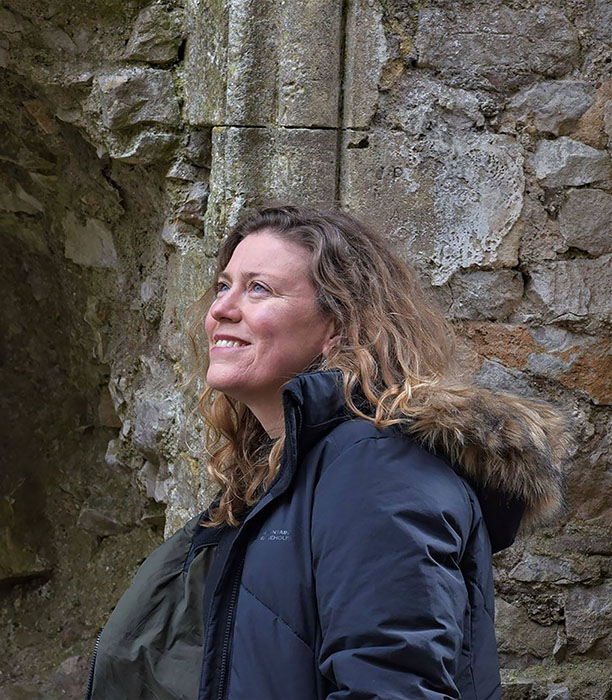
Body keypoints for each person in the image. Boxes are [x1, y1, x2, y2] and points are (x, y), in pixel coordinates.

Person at [85, 205, 571, 700]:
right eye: (223, 286)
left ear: (338, 327)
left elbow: (391, 689)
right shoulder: (279, 475)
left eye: (259, 288)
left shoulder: (376, 469)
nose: (221, 310)